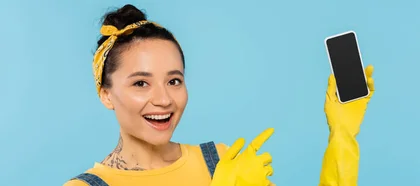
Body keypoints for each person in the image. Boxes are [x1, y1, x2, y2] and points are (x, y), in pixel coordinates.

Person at [64, 4, 376, 186]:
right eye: (140, 84)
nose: (163, 99)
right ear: (106, 94)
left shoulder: (221, 160)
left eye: (174, 81)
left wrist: (342, 135)